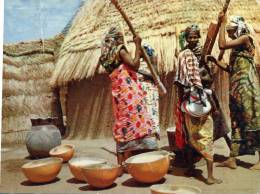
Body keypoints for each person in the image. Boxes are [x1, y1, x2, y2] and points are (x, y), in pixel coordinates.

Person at [98, 26, 158, 167]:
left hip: (118, 95)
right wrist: (137, 45)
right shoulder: (120, 50)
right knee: (140, 119)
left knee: (123, 122)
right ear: (118, 39)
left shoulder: (106, 56)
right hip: (129, 93)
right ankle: (148, 155)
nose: (122, 40)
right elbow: (135, 66)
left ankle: (122, 163)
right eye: (120, 38)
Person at [174, 24, 222, 185]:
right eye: (190, 37)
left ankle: (204, 173)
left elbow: (208, 77)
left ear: (199, 37)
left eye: (195, 36)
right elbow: (180, 81)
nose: (193, 39)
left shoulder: (203, 54)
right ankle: (195, 170)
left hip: (202, 99)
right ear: (186, 39)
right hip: (192, 100)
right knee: (193, 136)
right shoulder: (184, 55)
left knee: (202, 136)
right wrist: (181, 102)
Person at [216, 12, 260, 170]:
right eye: (227, 30)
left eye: (230, 30)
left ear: (238, 28)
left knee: (252, 122)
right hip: (236, 91)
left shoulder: (246, 38)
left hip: (247, 91)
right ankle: (232, 158)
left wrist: (221, 24)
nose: (228, 33)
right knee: (237, 122)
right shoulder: (236, 49)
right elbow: (231, 69)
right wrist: (216, 61)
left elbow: (221, 44)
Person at [137, 44, 160, 140]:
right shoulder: (137, 61)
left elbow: (154, 75)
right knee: (142, 114)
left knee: (151, 113)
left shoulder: (152, 59)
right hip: (139, 90)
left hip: (150, 90)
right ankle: (144, 139)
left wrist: (139, 71)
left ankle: (153, 137)